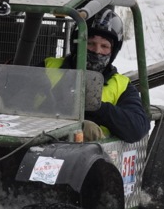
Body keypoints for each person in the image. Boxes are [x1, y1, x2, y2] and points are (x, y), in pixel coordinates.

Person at [44, 9, 149, 142]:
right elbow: (15, 100)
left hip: (93, 156)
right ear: (77, 44)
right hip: (39, 140)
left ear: (113, 51)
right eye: (90, 43)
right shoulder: (48, 67)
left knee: (87, 129)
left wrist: (97, 108)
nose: (97, 51)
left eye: (104, 46)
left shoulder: (120, 85)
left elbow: (137, 129)